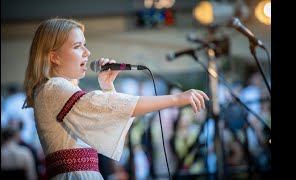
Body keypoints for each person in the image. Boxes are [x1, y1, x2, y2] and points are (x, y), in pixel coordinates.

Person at [22, 17, 209, 180]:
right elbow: (111, 107)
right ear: (54, 56)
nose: (87, 53)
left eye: (85, 45)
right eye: (78, 47)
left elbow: (106, 118)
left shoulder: (61, 89)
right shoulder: (53, 87)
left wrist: (107, 87)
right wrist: (175, 99)